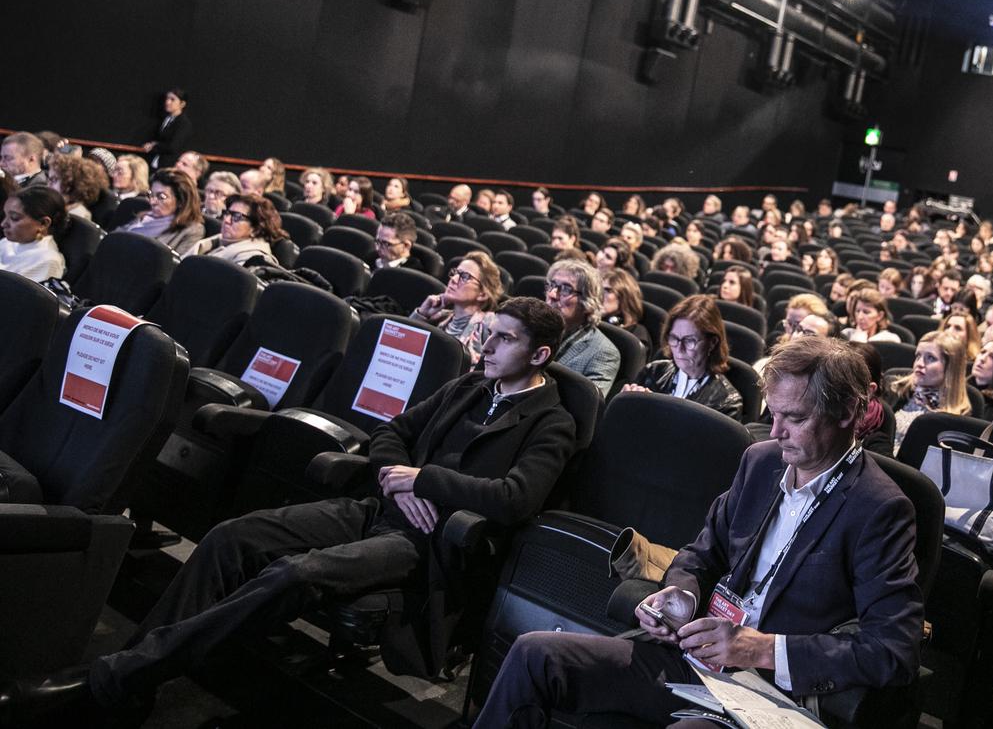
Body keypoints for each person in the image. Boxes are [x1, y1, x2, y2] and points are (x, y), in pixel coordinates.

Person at [0, 299, 575, 723]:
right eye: (490, 335)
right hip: (382, 507)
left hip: (427, 545)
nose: (487, 347)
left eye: (504, 340)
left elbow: (516, 497)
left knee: (295, 573)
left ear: (540, 353)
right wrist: (402, 486)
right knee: (235, 535)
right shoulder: (469, 387)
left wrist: (427, 480)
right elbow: (390, 434)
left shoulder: (552, 421)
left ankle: (112, 679)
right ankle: (132, 677)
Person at [472, 336, 923, 727]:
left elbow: (893, 651)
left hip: (768, 692)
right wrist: (681, 597)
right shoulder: (761, 461)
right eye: (774, 413)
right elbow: (700, 554)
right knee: (536, 654)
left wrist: (763, 649)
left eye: (796, 418)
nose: (777, 430)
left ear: (847, 413)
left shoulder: (879, 508)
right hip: (700, 654)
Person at [625, 295, 743, 421]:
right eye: (674, 338)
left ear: (712, 342)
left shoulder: (727, 402)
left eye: (689, 341)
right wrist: (625, 404)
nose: (679, 349)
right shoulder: (652, 372)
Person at [544, 258, 620, 396]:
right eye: (552, 285)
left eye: (566, 289)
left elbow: (586, 408)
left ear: (587, 302)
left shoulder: (603, 353)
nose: (552, 294)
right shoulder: (529, 329)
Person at [412, 251, 503, 365]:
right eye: (456, 273)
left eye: (464, 276)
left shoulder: (490, 323)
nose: (454, 279)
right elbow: (403, 348)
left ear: (482, 294)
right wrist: (422, 313)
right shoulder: (438, 317)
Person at [890, 331, 972, 452]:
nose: (920, 364)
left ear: (950, 368)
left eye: (930, 358)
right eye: (918, 356)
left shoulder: (955, 421)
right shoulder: (895, 390)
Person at [117, 169, 206, 256]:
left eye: (161, 197)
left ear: (181, 201)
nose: (152, 202)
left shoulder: (192, 230)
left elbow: (175, 266)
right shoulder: (144, 217)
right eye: (151, 195)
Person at [190, 195, 284, 264]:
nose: (226, 220)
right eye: (227, 213)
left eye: (237, 217)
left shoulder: (253, 258)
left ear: (256, 229)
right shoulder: (218, 241)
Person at [0, 187, 67, 282]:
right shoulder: (9, 242)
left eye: (14, 218)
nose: (3, 224)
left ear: (43, 223)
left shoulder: (48, 261)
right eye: (5, 215)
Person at [601, 269, 652, 355]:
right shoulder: (595, 321)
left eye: (607, 290)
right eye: (600, 289)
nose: (600, 295)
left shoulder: (637, 335)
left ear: (624, 297)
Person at [142, 88, 193, 170]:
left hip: (168, 166)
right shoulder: (166, 119)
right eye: (167, 98)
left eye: (172, 99)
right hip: (156, 164)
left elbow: (173, 146)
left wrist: (154, 145)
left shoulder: (183, 123)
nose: (167, 102)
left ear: (182, 104)